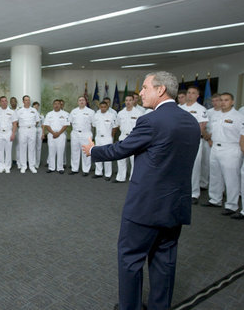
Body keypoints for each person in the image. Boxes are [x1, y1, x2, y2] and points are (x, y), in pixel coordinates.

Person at [83, 71, 200, 310]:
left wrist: (93, 151)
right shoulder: (190, 121)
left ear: (160, 90)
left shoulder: (151, 120)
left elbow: (121, 149)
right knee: (164, 260)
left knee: (130, 258)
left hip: (146, 207)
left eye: (145, 87)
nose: (140, 92)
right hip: (175, 205)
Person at [202, 93, 244, 215]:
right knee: (215, 175)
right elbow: (210, 131)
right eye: (221, 100)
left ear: (232, 101)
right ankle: (215, 199)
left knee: (231, 178)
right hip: (215, 147)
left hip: (231, 148)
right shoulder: (215, 115)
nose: (223, 102)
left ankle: (232, 205)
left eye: (226, 100)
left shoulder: (239, 117)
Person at [179, 86, 208, 203]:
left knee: (194, 168)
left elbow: (202, 127)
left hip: (193, 142)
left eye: (193, 93)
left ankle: (194, 194)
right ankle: (180, 191)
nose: (190, 95)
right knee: (180, 167)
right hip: (179, 142)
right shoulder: (180, 108)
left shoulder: (201, 109)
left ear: (197, 96)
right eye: (189, 93)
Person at [114, 95, 144, 183]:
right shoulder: (120, 113)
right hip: (123, 137)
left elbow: (141, 127)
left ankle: (133, 178)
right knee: (121, 158)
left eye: (130, 100)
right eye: (126, 100)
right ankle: (120, 177)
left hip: (134, 138)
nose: (128, 102)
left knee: (133, 160)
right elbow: (118, 125)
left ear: (133, 101)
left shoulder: (139, 113)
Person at [68, 96, 95, 176]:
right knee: (74, 151)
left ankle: (86, 170)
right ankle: (74, 169)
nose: (81, 101)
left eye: (83, 100)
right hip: (75, 133)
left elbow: (93, 124)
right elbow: (70, 122)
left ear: (86, 102)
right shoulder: (73, 111)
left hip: (86, 134)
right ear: (77, 102)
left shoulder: (91, 112)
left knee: (86, 152)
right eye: (80, 100)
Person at [200, 93, 221, 191]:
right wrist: (207, 138)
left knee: (217, 167)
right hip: (206, 139)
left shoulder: (224, 112)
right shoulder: (207, 112)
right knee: (205, 163)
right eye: (213, 101)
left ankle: (220, 188)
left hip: (219, 142)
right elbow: (202, 126)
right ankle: (204, 183)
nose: (215, 103)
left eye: (217, 100)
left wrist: (212, 138)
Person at [92, 101, 118, 180]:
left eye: (104, 107)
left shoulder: (111, 115)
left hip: (107, 137)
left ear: (107, 107)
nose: (103, 108)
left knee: (107, 156)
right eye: (101, 107)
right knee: (98, 155)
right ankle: (98, 172)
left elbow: (115, 127)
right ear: (99, 107)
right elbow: (93, 125)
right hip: (98, 137)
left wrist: (112, 137)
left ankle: (108, 174)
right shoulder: (96, 115)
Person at [0, 96, 18, 173]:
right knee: (0, 150)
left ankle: (7, 167)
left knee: (8, 151)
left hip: (8, 133)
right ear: (0, 102)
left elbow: (15, 124)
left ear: (7, 102)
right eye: (2, 101)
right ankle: (1, 166)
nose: (4, 102)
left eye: (5, 101)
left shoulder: (12, 112)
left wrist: (13, 134)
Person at [16, 95, 40, 173]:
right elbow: (16, 122)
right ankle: (23, 166)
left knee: (32, 148)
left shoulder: (34, 110)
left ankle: (32, 166)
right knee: (22, 148)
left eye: (29, 100)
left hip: (32, 130)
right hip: (23, 130)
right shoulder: (19, 111)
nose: (28, 101)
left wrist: (31, 126)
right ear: (23, 102)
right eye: (26, 100)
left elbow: (37, 121)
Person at [44, 100, 69, 173]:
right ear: (53, 105)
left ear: (60, 105)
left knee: (60, 151)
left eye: (58, 104)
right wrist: (53, 133)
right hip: (51, 134)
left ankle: (60, 168)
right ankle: (51, 167)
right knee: (51, 151)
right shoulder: (49, 114)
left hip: (61, 134)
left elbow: (66, 125)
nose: (56, 105)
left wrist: (58, 133)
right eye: (55, 104)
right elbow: (47, 125)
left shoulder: (65, 114)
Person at [32, 101, 44, 169]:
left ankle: (37, 163)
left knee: (38, 147)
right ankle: (32, 162)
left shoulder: (41, 115)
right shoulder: (31, 114)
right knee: (32, 147)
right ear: (32, 106)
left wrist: (43, 133)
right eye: (35, 105)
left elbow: (43, 125)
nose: (36, 107)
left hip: (39, 130)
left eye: (37, 106)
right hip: (33, 130)